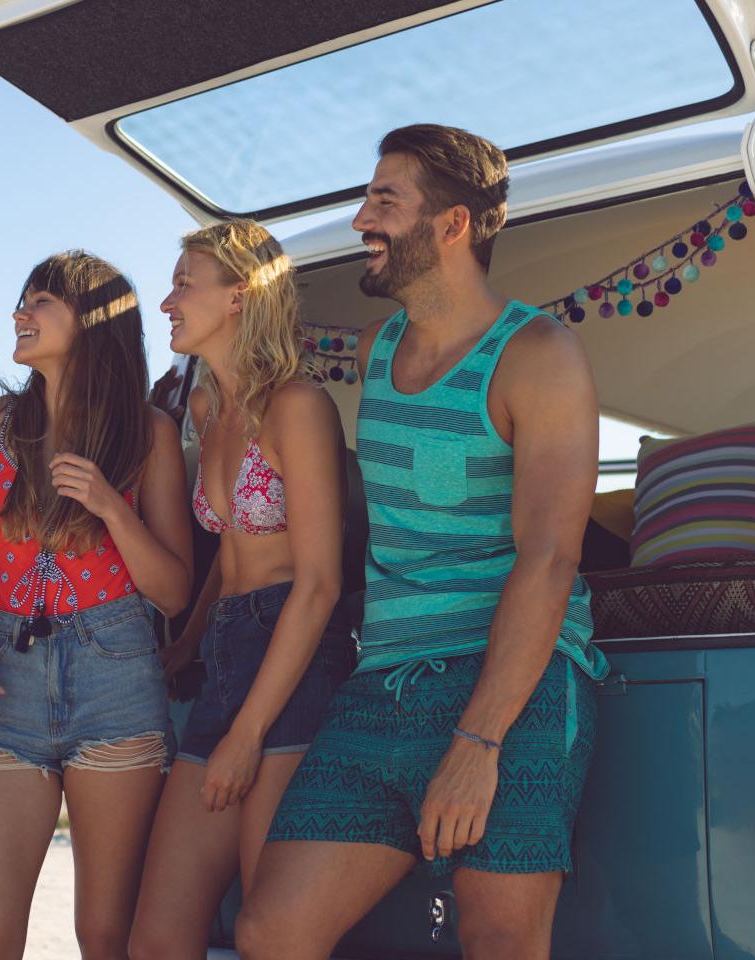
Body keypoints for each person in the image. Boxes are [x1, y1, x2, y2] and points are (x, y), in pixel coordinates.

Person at [236, 124, 611, 960]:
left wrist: (478, 744)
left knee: (500, 941)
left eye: (384, 201)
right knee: (270, 931)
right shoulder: (377, 354)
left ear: (453, 226)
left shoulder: (538, 353)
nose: (361, 218)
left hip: (515, 687)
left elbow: (551, 558)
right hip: (386, 685)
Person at [0, 251, 192, 959]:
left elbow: (173, 591)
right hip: (3, 683)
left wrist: (113, 507)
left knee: (105, 937)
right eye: (22, 299)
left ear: (94, 320)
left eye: (41, 301)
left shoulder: (149, 433)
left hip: (116, 678)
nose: (20, 313)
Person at [127, 220, 354, 959]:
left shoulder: (299, 406)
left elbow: (318, 584)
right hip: (227, 653)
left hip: (291, 657)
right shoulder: (206, 410)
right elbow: (233, 553)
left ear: (239, 296)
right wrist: (186, 646)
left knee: (272, 934)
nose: (167, 302)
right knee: (158, 939)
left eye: (184, 284)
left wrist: (248, 734)